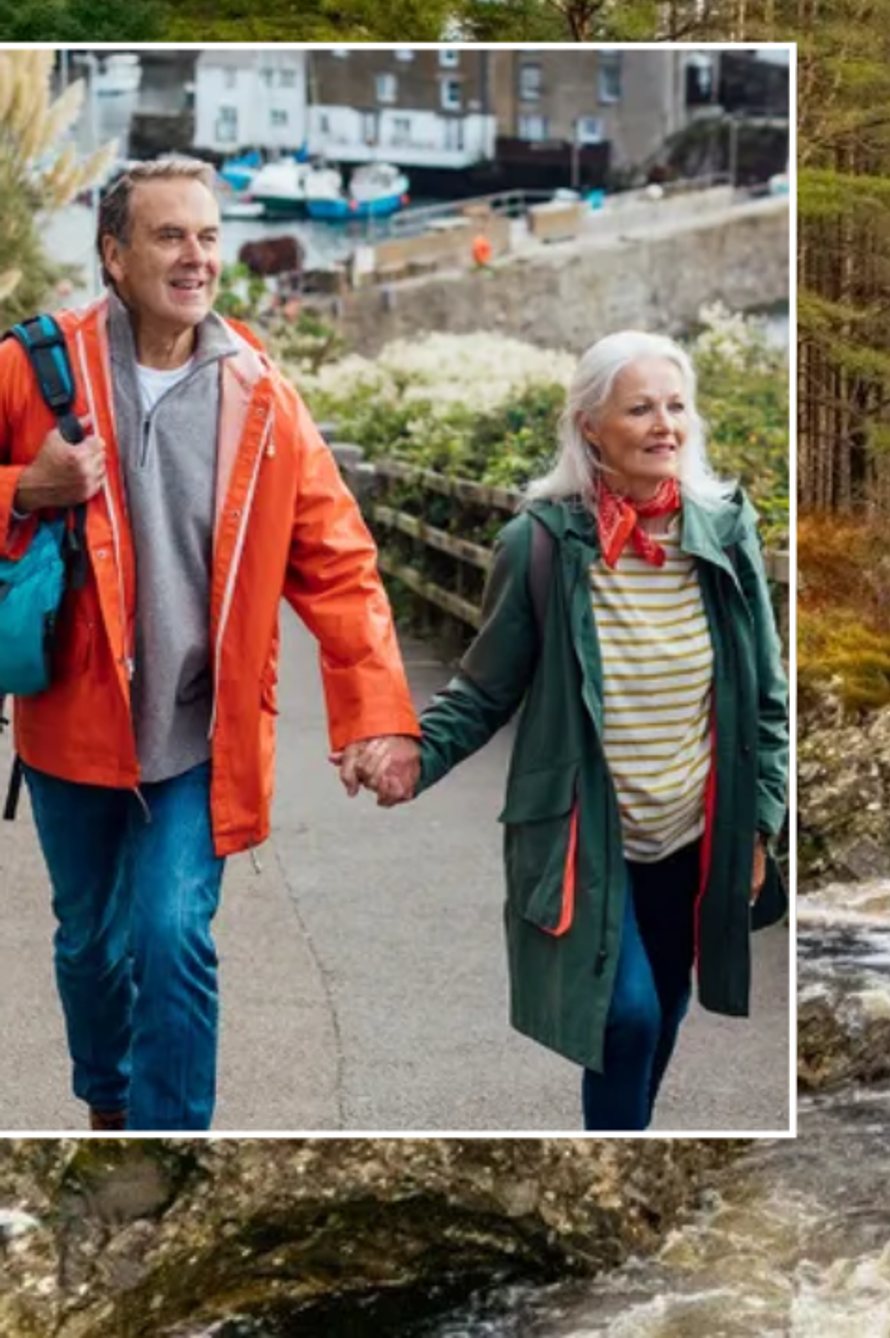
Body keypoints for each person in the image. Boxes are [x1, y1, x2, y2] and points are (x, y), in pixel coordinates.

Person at [1, 156, 420, 1132]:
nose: (195, 258)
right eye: (168, 236)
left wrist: (380, 721)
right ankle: (107, 1104)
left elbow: (340, 562)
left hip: (203, 732)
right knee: (89, 944)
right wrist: (26, 488)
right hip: (69, 722)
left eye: (208, 236)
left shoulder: (261, 396)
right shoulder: (33, 367)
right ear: (113, 253)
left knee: (172, 932)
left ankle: (170, 1142)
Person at [352, 331, 787, 1131]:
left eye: (677, 406)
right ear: (591, 426)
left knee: (664, 1005)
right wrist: (416, 754)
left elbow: (766, 694)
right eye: (641, 409)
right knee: (625, 1018)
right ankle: (617, 1147)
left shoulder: (725, 535)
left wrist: (759, 825)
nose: (666, 425)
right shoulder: (543, 545)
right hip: (588, 836)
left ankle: (626, 1140)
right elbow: (485, 687)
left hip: (694, 832)